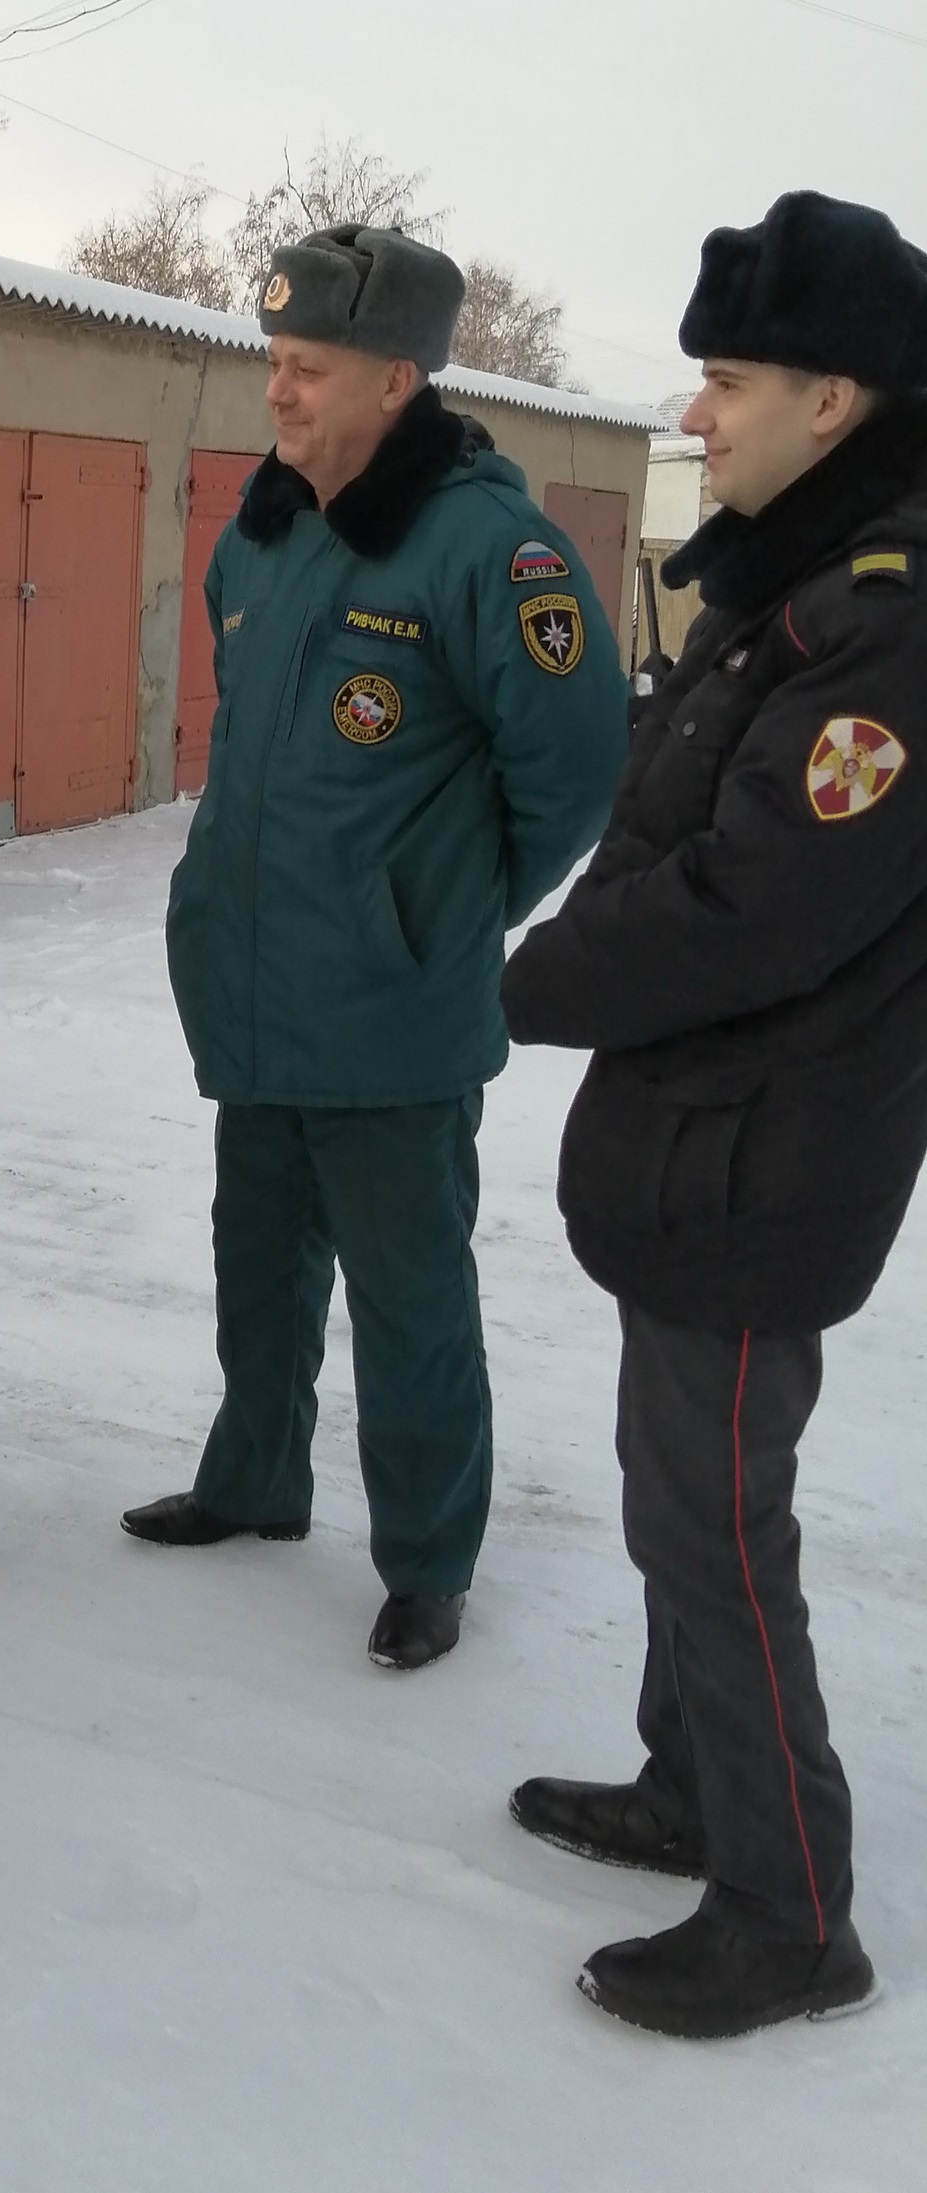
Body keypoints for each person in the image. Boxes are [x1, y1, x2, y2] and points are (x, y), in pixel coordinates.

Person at [501, 191, 927, 2037]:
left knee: (720, 1525)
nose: (697, 419)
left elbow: (758, 899)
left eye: (726, 383)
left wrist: (516, 988)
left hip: (766, 1157)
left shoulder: (880, 629)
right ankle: (692, 1783)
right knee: (676, 1502)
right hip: (698, 1141)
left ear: (836, 401)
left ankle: (786, 1898)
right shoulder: (787, 594)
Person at [125, 226, 628, 1670]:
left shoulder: (488, 547)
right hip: (258, 990)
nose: (275, 394)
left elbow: (577, 768)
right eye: (272, 362)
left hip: (393, 1010)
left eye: (309, 369)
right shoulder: (265, 533)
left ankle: (427, 1560)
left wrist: (447, 906)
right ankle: (253, 1480)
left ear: (399, 377)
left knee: (411, 1298)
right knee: (258, 1261)